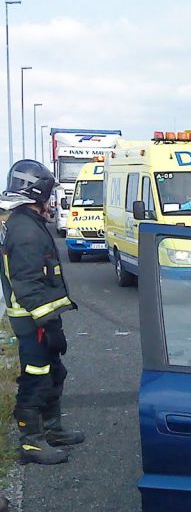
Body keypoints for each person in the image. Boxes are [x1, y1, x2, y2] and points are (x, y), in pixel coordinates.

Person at [0, 159, 83, 464]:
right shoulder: (25, 231)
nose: (52, 202)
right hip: (32, 319)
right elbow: (29, 284)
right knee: (36, 376)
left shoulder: (27, 224)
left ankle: (51, 429)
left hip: (38, 318)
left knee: (54, 372)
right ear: (40, 193)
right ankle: (31, 442)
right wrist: (49, 326)